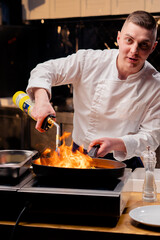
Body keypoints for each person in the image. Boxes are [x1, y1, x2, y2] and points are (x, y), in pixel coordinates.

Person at [26, 11, 160, 171]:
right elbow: (45, 70)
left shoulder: (155, 85)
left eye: (143, 44)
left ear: (153, 47)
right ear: (118, 38)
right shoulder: (89, 61)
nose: (134, 50)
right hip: (78, 157)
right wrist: (41, 101)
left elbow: (151, 136)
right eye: (129, 40)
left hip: (125, 162)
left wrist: (116, 143)